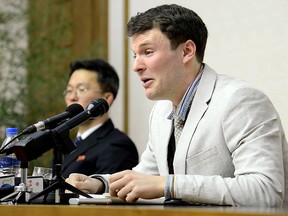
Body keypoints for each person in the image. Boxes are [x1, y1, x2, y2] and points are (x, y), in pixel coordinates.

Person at [65, 4, 288, 207]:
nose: (136, 66)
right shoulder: (161, 111)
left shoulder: (240, 100)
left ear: (187, 51)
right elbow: (145, 177)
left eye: (147, 52)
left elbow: (266, 190)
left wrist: (169, 185)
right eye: (135, 55)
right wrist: (98, 184)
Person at [61, 58, 139, 178]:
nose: (72, 97)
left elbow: (109, 194)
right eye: (69, 90)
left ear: (106, 99)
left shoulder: (117, 146)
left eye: (81, 89)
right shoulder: (67, 144)